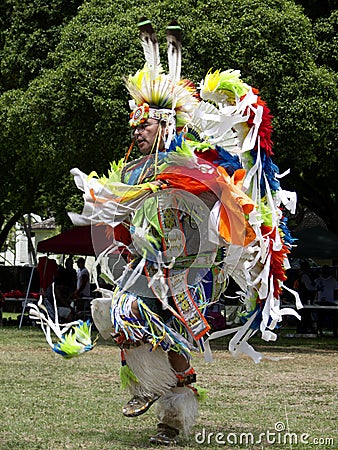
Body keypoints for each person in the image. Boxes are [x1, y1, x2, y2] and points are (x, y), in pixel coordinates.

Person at [31, 18, 298, 446]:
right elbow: (123, 202)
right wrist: (98, 197)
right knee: (123, 315)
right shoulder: (138, 169)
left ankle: (169, 414)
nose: (136, 133)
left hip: (188, 268)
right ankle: (152, 388)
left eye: (144, 126)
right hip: (149, 262)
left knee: (156, 327)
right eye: (134, 127)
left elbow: (220, 204)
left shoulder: (193, 166)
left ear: (165, 126)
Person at [315, 265, 338, 337]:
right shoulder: (317, 280)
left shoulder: (333, 280)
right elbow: (314, 289)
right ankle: (319, 332)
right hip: (320, 302)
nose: (324, 272)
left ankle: (335, 332)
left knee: (334, 318)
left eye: (326, 270)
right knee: (320, 318)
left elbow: (336, 291)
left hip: (330, 301)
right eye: (323, 270)